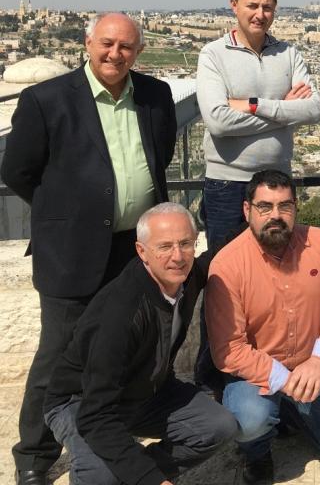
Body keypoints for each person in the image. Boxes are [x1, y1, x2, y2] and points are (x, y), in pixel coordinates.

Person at [1, 12, 177, 485]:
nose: (115, 54)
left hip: (131, 250)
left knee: (125, 342)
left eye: (125, 46)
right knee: (58, 353)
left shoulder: (156, 96)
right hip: (71, 251)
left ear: (138, 50)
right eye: (106, 43)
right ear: (87, 43)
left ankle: (110, 428)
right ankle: (35, 457)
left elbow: (159, 158)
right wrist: (62, 213)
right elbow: (17, 170)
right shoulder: (47, 99)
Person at [43, 203, 236, 485]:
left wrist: (260, 219)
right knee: (102, 474)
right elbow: (95, 416)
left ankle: (137, 473)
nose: (177, 256)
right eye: (164, 246)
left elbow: (217, 254)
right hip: (81, 401)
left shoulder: (187, 276)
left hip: (148, 391)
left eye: (185, 243)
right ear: (141, 251)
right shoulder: (121, 313)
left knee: (219, 426)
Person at [195, 0, 320, 393]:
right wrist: (279, 109)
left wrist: (250, 105)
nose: (260, 13)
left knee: (275, 279)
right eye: (252, 5)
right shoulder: (213, 54)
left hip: (277, 187)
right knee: (224, 283)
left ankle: (269, 377)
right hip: (228, 186)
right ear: (234, 5)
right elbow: (216, 119)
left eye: (267, 7)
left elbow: (313, 109)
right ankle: (217, 380)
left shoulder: (288, 54)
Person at [206, 170, 320, 484]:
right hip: (257, 374)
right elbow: (229, 348)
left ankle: (289, 411)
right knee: (251, 419)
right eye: (265, 207)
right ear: (247, 210)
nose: (275, 216)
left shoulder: (319, 242)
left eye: (285, 206)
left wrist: (318, 362)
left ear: (296, 208)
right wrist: (283, 379)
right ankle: (257, 453)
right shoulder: (227, 265)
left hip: (312, 364)